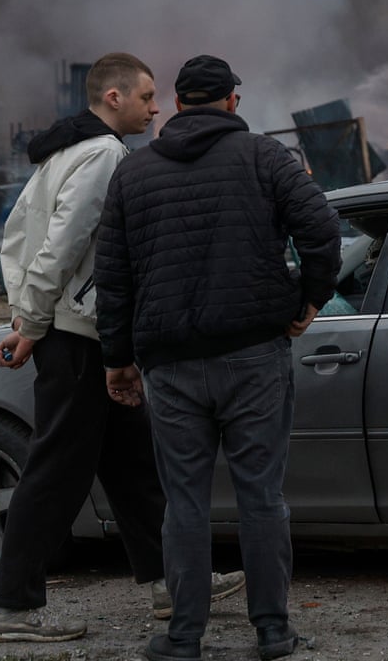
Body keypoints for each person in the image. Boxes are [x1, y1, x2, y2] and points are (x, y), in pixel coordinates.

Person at [0, 52, 245, 644]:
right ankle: (13, 610)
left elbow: (18, 233)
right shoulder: (103, 156)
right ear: (113, 99)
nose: (158, 109)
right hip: (76, 336)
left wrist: (30, 314)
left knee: (131, 465)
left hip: (84, 331)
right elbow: (61, 243)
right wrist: (31, 322)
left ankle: (171, 583)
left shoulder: (68, 152)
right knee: (55, 472)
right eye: (148, 98)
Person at [95, 54, 342, 661]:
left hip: (171, 365)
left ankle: (183, 637)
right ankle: (273, 632)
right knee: (261, 496)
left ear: (177, 104)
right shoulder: (266, 158)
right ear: (233, 101)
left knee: (184, 503)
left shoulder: (134, 172)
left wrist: (117, 359)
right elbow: (323, 232)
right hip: (254, 354)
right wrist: (309, 299)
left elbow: (114, 276)